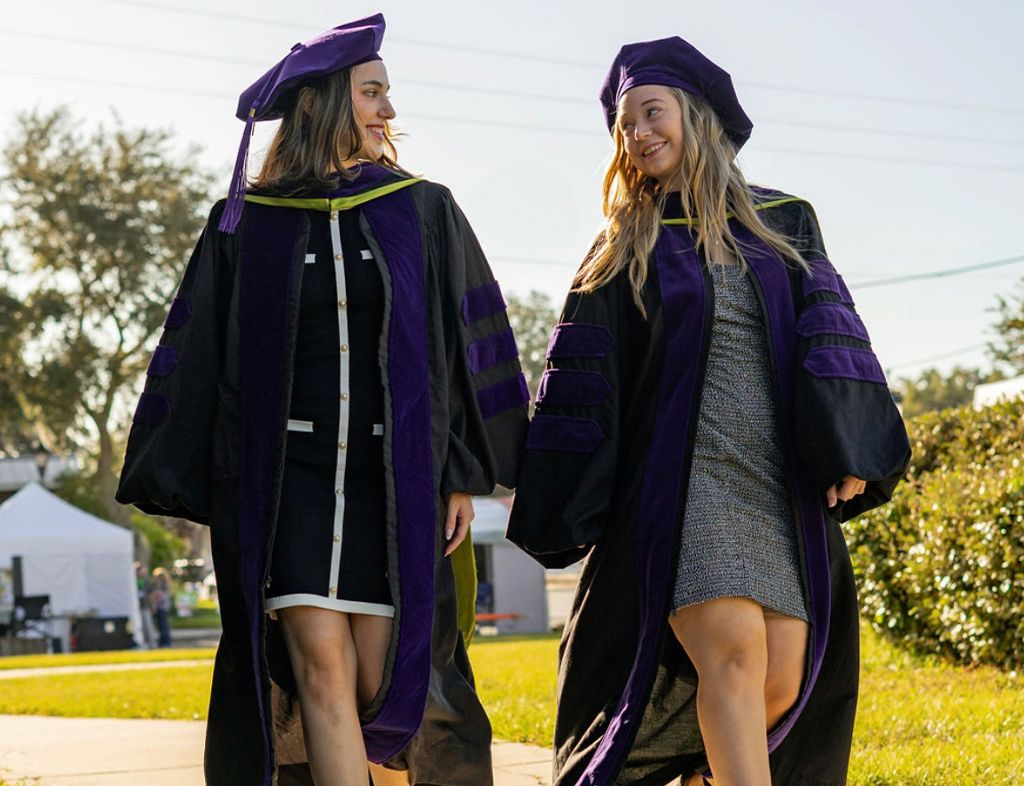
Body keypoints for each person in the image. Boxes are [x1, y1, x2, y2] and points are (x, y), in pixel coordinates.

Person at [116, 14, 528, 786]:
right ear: (321, 103)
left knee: (388, 686)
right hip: (288, 486)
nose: (388, 111)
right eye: (373, 92)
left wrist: (464, 470)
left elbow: (470, 342)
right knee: (319, 674)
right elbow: (197, 356)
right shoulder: (248, 226)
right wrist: (205, 480)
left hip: (393, 481)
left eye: (387, 94)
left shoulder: (424, 210)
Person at [507, 36, 911, 786]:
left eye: (650, 113)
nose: (636, 135)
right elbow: (581, 386)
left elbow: (833, 340)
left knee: (784, 679)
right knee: (732, 654)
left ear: (697, 117)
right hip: (681, 485)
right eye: (624, 125)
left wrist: (850, 445)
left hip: (774, 479)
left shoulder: (785, 221)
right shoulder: (623, 244)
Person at [150, 567, 172, 648]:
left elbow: (155, 596)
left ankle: (165, 642)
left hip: (162, 608)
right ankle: (163, 642)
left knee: (163, 626)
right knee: (160, 626)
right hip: (161, 608)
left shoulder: (163, 586)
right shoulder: (160, 586)